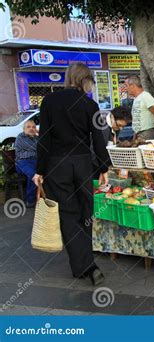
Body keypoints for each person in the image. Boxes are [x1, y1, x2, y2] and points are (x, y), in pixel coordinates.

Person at [32, 62, 111, 286]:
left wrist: (39, 170)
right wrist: (104, 167)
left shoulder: (49, 101)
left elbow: (44, 139)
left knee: (68, 215)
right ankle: (87, 265)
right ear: (85, 80)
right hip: (82, 163)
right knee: (86, 212)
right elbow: (98, 139)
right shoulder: (89, 104)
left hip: (57, 165)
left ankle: (84, 266)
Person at [125, 75, 154, 140]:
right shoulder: (137, 98)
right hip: (138, 133)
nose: (125, 88)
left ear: (132, 86)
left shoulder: (145, 96)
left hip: (147, 133)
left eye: (126, 85)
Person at [15, 120, 39, 207]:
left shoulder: (36, 138)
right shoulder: (20, 137)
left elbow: (44, 147)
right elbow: (37, 147)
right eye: (28, 127)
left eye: (33, 127)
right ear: (24, 129)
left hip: (35, 161)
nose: (31, 129)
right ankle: (30, 200)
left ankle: (42, 198)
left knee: (39, 173)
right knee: (33, 175)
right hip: (23, 162)